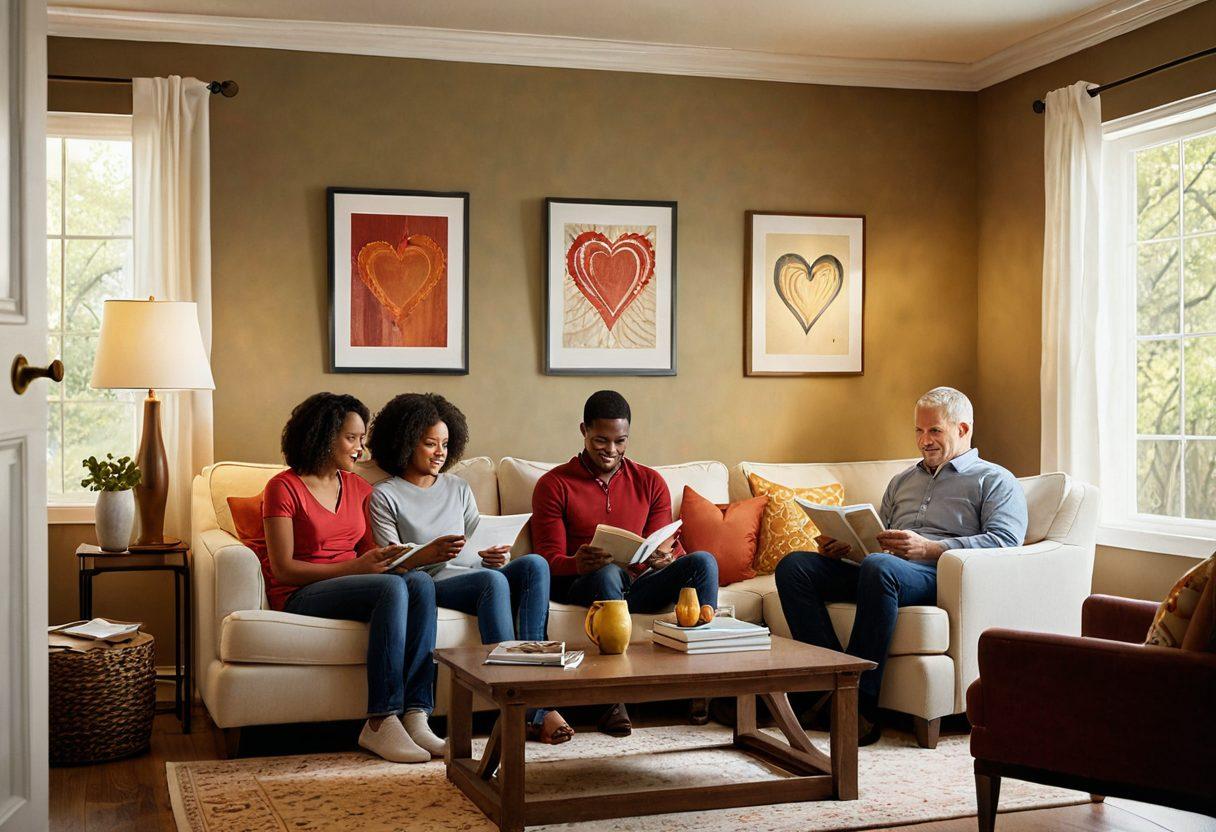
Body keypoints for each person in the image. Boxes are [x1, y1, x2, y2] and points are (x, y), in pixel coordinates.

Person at [775, 386, 1027, 745]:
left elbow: (1005, 541)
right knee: (795, 567)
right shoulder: (902, 482)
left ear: (963, 429)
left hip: (940, 574)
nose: (925, 441)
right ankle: (825, 688)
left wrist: (932, 547)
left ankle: (860, 703)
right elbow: (880, 545)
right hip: (886, 571)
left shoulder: (995, 480)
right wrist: (847, 549)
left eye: (935, 430)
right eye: (919, 431)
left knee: (879, 568)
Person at [366, 393, 572, 744]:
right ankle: (522, 704)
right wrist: (428, 553)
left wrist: (495, 556)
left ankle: (535, 689)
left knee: (534, 564)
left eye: (445, 444)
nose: (440, 452)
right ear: (404, 442)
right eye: (430, 444)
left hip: (473, 573)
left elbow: (476, 541)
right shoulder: (385, 495)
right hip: (431, 581)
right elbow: (391, 562)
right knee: (491, 583)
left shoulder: (458, 487)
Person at [259, 393, 444, 763]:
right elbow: (283, 569)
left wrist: (415, 557)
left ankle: (416, 713)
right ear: (323, 435)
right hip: (302, 592)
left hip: (354, 586)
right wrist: (356, 568)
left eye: (362, 439)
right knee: (392, 587)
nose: (360, 449)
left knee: (419, 583)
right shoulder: (283, 488)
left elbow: (377, 557)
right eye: (351, 438)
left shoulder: (359, 488)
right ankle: (380, 720)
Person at [530, 390, 719, 736]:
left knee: (702, 562)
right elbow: (545, 560)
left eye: (620, 441)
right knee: (608, 572)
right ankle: (610, 700)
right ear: (583, 430)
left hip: (639, 583)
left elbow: (657, 541)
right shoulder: (554, 484)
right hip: (587, 584)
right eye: (601, 440)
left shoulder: (650, 482)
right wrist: (576, 562)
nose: (611, 451)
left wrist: (664, 559)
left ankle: (705, 690)